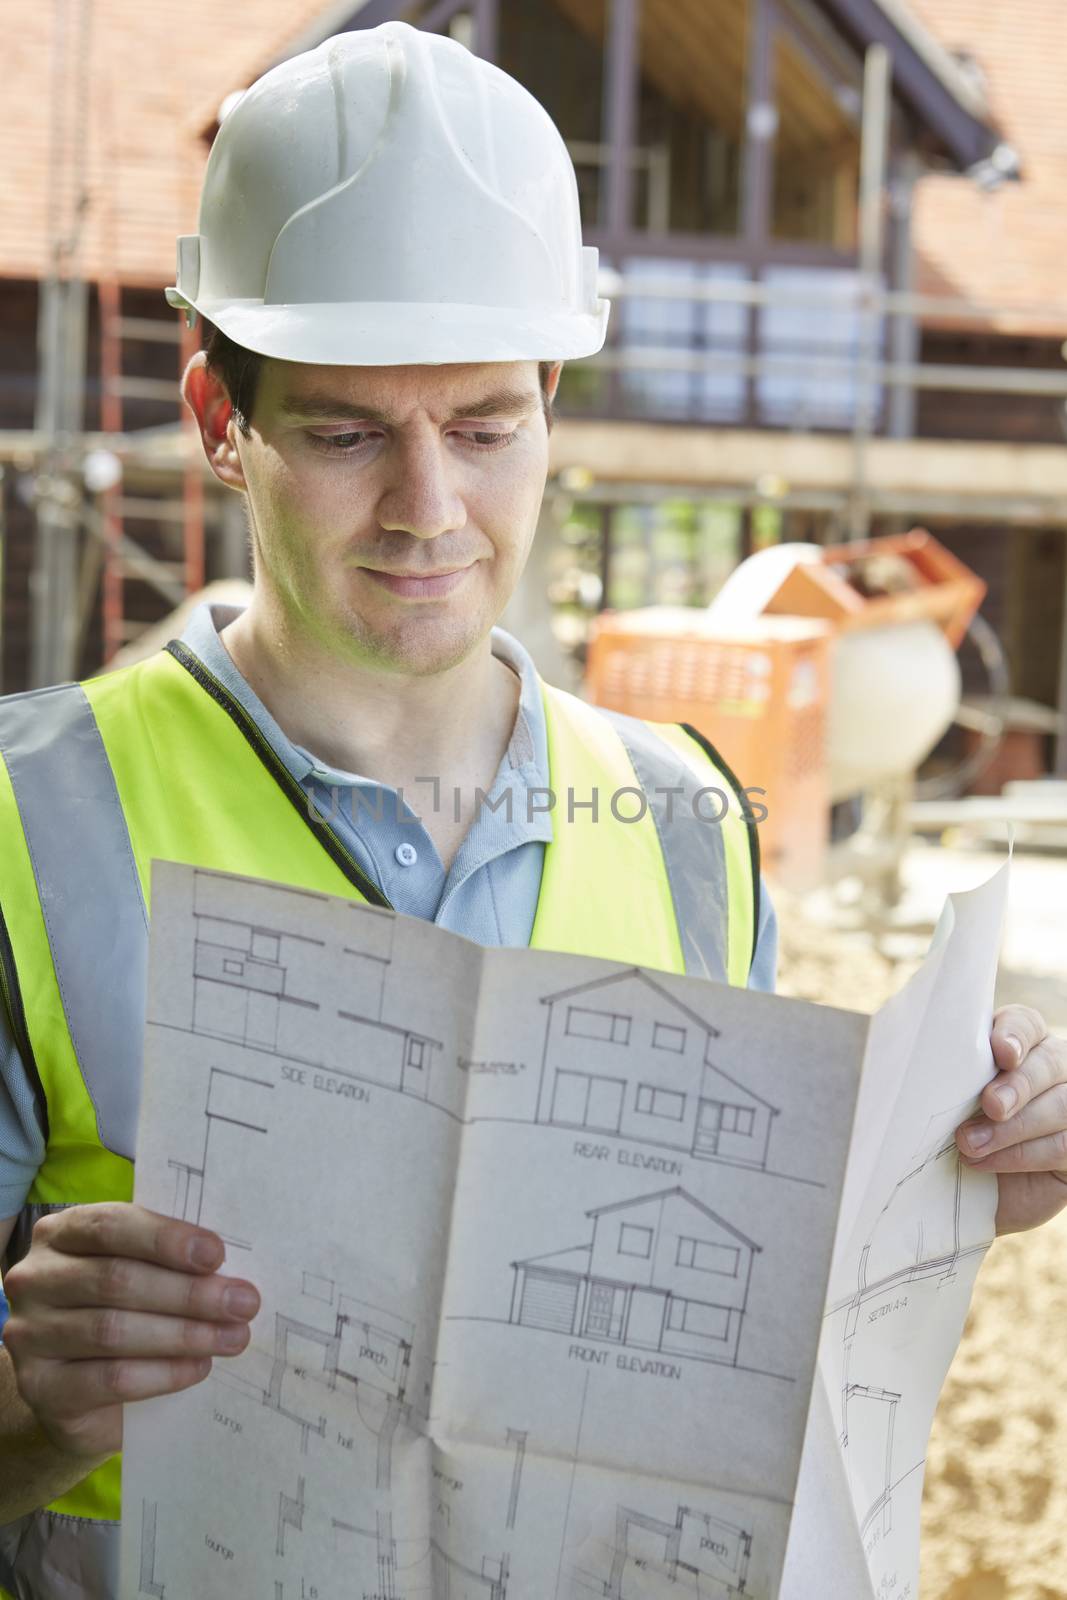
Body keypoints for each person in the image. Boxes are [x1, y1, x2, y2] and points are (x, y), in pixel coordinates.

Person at [0, 22, 1063, 1600]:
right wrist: (24, 1409)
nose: (430, 509)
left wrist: (967, 1178)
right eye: (350, 432)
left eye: (488, 427)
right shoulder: (31, 820)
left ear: (553, 397)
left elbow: (733, 1339)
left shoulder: (690, 820)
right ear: (222, 419)